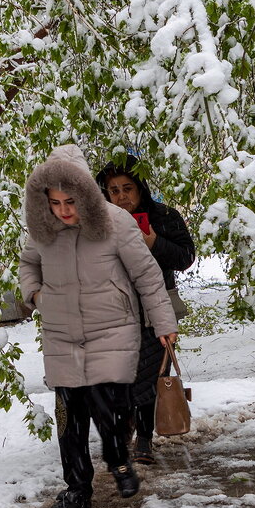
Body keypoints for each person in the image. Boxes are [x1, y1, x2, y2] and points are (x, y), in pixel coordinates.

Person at [19, 144, 178, 508]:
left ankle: (119, 462)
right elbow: (29, 265)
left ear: (87, 193)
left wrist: (163, 324)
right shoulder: (43, 229)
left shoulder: (115, 223)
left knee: (111, 407)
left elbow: (148, 276)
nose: (63, 211)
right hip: (61, 335)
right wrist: (36, 294)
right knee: (69, 418)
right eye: (55, 202)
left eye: (70, 201)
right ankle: (76, 489)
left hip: (112, 330)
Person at [95, 156, 196, 465]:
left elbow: (185, 257)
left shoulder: (164, 217)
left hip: (156, 308)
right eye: (114, 190)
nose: (122, 196)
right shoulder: (100, 222)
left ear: (140, 189)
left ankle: (144, 439)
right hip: (116, 311)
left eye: (128, 188)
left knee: (154, 373)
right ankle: (124, 428)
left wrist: (153, 242)